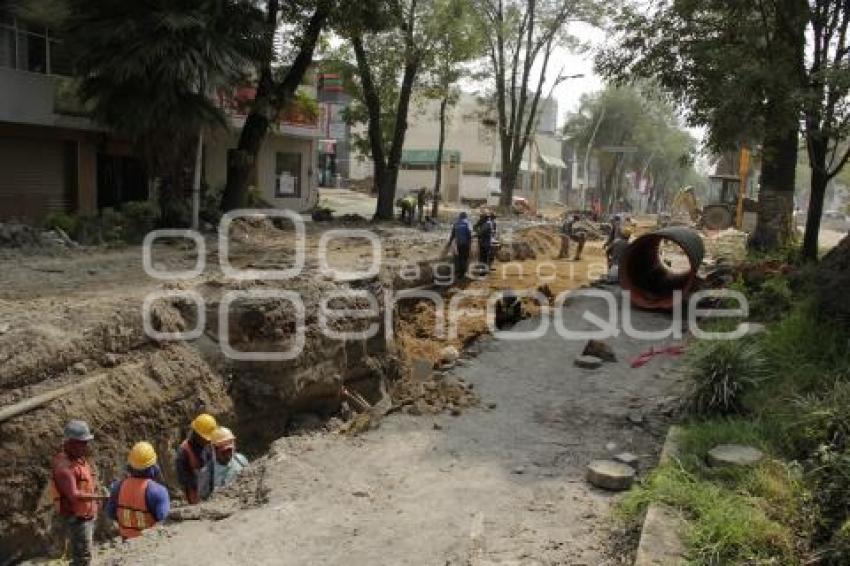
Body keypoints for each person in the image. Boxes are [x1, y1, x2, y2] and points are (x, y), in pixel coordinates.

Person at [50, 420, 108, 566]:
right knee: (82, 558)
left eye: (86, 442)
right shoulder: (64, 467)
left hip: (86, 516)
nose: (86, 446)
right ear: (69, 442)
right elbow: (74, 495)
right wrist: (99, 496)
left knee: (84, 554)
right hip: (78, 520)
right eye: (82, 442)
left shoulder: (77, 457)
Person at [107, 442, 170, 540]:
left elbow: (111, 513)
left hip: (126, 542)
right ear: (153, 467)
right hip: (149, 542)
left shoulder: (117, 487)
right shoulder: (159, 491)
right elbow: (163, 517)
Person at [175, 413, 216, 504]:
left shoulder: (208, 447)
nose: (208, 441)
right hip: (194, 496)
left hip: (209, 492)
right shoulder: (183, 452)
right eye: (205, 438)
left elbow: (211, 469)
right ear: (197, 434)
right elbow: (183, 480)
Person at [200, 427, 249, 498]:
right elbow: (202, 499)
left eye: (230, 450)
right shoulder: (207, 472)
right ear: (214, 450)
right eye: (224, 452)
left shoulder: (241, 460)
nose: (228, 455)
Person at [447, 211, 473, 280]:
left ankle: (460, 273)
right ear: (466, 216)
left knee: (460, 257)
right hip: (466, 243)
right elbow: (470, 234)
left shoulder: (456, 223)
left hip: (459, 243)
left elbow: (452, 234)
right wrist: (470, 243)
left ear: (460, 216)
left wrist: (449, 243)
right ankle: (463, 273)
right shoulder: (468, 223)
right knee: (465, 257)